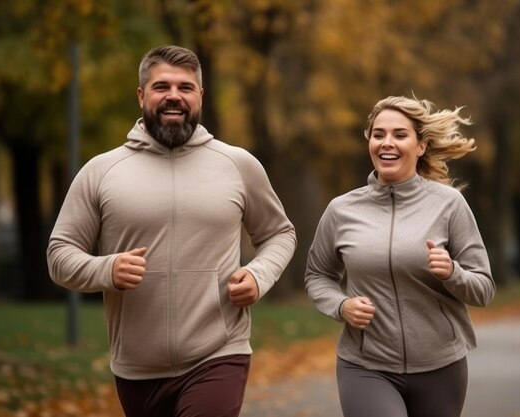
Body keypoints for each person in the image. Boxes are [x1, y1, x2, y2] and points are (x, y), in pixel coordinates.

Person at [47, 45, 296, 417]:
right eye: (162, 86)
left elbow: (279, 233)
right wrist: (106, 270)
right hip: (136, 367)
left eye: (186, 87)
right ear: (141, 95)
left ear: (200, 96)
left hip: (219, 353)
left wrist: (259, 275)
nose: (174, 96)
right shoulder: (102, 172)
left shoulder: (238, 165)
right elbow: (59, 254)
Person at [304, 95, 495, 417]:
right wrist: (341, 305)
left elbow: (484, 288)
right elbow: (318, 275)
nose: (386, 143)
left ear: (420, 146)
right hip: (365, 365)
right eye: (378, 134)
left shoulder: (448, 205)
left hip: (440, 366)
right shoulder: (342, 210)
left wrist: (452, 272)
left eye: (399, 135)